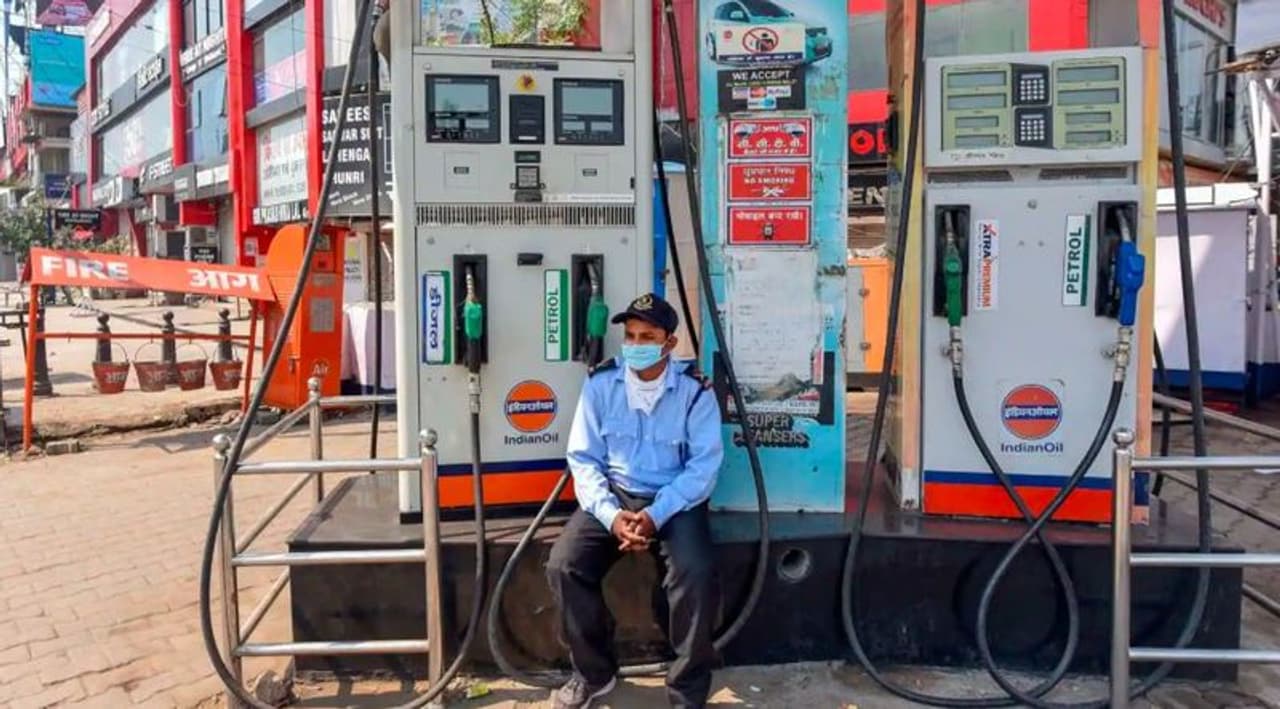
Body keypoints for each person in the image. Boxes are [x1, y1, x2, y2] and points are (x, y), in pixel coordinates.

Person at [546, 292, 724, 709]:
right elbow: (583, 459)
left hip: (675, 498)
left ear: (669, 343)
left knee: (695, 574)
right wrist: (612, 516)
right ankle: (593, 673)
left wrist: (655, 515)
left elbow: (703, 468)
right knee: (564, 565)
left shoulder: (695, 393)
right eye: (630, 336)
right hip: (616, 494)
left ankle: (687, 690)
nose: (636, 345)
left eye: (647, 337)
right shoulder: (600, 384)